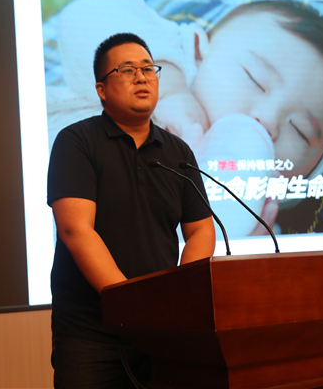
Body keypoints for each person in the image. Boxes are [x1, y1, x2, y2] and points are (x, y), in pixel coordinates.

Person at [49, 0, 323, 235]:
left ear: (315, 169)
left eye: (300, 130)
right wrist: (168, 88)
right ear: (198, 51)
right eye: (255, 78)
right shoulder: (169, 65)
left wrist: (241, 248)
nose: (268, 120)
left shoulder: (257, 224)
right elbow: (90, 12)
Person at [47, 33, 216, 388]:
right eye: (127, 70)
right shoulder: (76, 142)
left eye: (148, 69)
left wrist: (182, 295)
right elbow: (76, 229)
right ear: (101, 89)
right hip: (90, 335)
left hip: (160, 333)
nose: (141, 77)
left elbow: (201, 229)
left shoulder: (179, 152)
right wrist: (132, 306)